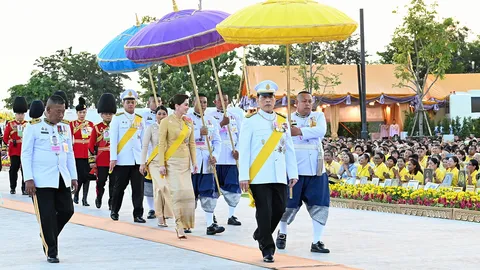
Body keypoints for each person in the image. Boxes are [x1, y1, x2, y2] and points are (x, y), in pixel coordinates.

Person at [238, 80, 298, 263]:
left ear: (275, 100)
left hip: (278, 173)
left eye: (270, 97)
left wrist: (293, 172)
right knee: (264, 211)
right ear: (257, 101)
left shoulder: (281, 121)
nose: (267, 100)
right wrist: (244, 176)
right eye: (263, 97)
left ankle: (260, 233)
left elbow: (289, 148)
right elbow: (245, 150)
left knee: (279, 210)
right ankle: (267, 248)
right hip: (258, 174)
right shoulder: (250, 121)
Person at [21, 94, 77, 263]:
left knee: (68, 210)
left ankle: (47, 234)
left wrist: (73, 176)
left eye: (63, 112)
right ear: (48, 110)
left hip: (61, 176)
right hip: (41, 179)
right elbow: (26, 154)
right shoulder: (33, 127)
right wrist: (28, 178)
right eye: (58, 112)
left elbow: (69, 153)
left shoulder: (65, 127)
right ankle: (51, 251)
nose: (61, 115)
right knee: (47, 216)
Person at [276, 90, 330, 253]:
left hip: (315, 169)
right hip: (295, 171)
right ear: (296, 104)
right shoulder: (287, 119)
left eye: (310, 101)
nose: (307, 104)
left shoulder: (318, 117)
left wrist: (299, 132)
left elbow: (320, 131)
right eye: (304, 101)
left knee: (320, 205)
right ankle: (283, 233)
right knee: (288, 205)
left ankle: (317, 240)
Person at [158, 94, 197, 239]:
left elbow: (192, 143)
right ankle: (179, 225)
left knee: (188, 194)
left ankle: (187, 224)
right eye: (185, 104)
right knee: (177, 194)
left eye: (188, 104)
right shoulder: (166, 122)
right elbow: (161, 144)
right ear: (177, 106)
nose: (188, 107)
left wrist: (195, 163)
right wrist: (162, 164)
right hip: (172, 162)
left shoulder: (188, 122)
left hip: (185, 162)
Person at [187, 93, 225, 235]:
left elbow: (217, 141)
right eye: (200, 102)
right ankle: (186, 224)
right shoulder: (186, 119)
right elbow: (183, 139)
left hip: (207, 161)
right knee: (190, 195)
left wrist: (215, 155)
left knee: (208, 193)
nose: (203, 105)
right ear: (193, 102)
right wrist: (198, 133)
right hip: (192, 161)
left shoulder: (211, 120)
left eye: (205, 102)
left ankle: (210, 225)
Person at [109, 89, 146, 223]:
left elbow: (143, 141)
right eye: (128, 102)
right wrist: (113, 158)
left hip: (137, 160)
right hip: (122, 159)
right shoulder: (117, 118)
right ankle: (114, 210)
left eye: (132, 102)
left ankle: (138, 214)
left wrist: (144, 160)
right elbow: (113, 139)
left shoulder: (140, 119)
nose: (130, 104)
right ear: (123, 103)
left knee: (138, 189)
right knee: (119, 188)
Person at [206, 93, 242, 226]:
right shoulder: (210, 117)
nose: (223, 102)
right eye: (220, 100)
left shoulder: (235, 116)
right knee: (213, 188)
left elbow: (241, 135)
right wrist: (221, 124)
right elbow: (210, 136)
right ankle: (211, 215)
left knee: (233, 187)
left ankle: (231, 215)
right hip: (217, 158)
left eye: (225, 100)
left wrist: (238, 150)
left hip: (231, 159)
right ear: (215, 102)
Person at [140, 105, 174, 227]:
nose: (161, 116)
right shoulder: (151, 128)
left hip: (168, 162)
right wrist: (142, 163)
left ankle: (165, 215)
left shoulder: (171, 128)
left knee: (167, 188)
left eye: (164, 114)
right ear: (156, 116)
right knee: (160, 187)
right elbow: (144, 146)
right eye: (159, 114)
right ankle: (159, 215)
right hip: (154, 163)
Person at [88, 93, 116, 210]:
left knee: (113, 183)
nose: (108, 116)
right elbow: (91, 145)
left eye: (110, 114)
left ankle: (111, 201)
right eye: (105, 114)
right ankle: (99, 197)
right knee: (101, 182)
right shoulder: (96, 128)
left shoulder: (117, 125)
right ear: (101, 114)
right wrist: (92, 161)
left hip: (114, 159)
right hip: (102, 159)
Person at [70, 97, 94, 206]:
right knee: (80, 175)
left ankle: (85, 198)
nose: (82, 114)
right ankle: (76, 194)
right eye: (80, 112)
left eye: (84, 112)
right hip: (78, 152)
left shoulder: (90, 124)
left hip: (88, 153)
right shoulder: (72, 124)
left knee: (87, 176)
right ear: (77, 113)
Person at [141, 94, 162, 218]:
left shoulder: (166, 116)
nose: (157, 103)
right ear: (148, 103)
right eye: (154, 101)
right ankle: (152, 209)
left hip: (162, 155)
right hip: (149, 154)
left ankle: (162, 207)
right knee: (148, 185)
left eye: (159, 101)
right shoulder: (144, 117)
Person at [3, 96, 28, 195]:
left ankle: (24, 188)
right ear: (15, 114)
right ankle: (12, 187)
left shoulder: (28, 124)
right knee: (13, 169)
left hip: (25, 150)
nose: (20, 116)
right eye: (18, 114)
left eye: (22, 114)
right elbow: (5, 138)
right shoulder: (10, 124)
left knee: (25, 170)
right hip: (14, 150)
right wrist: (11, 141)